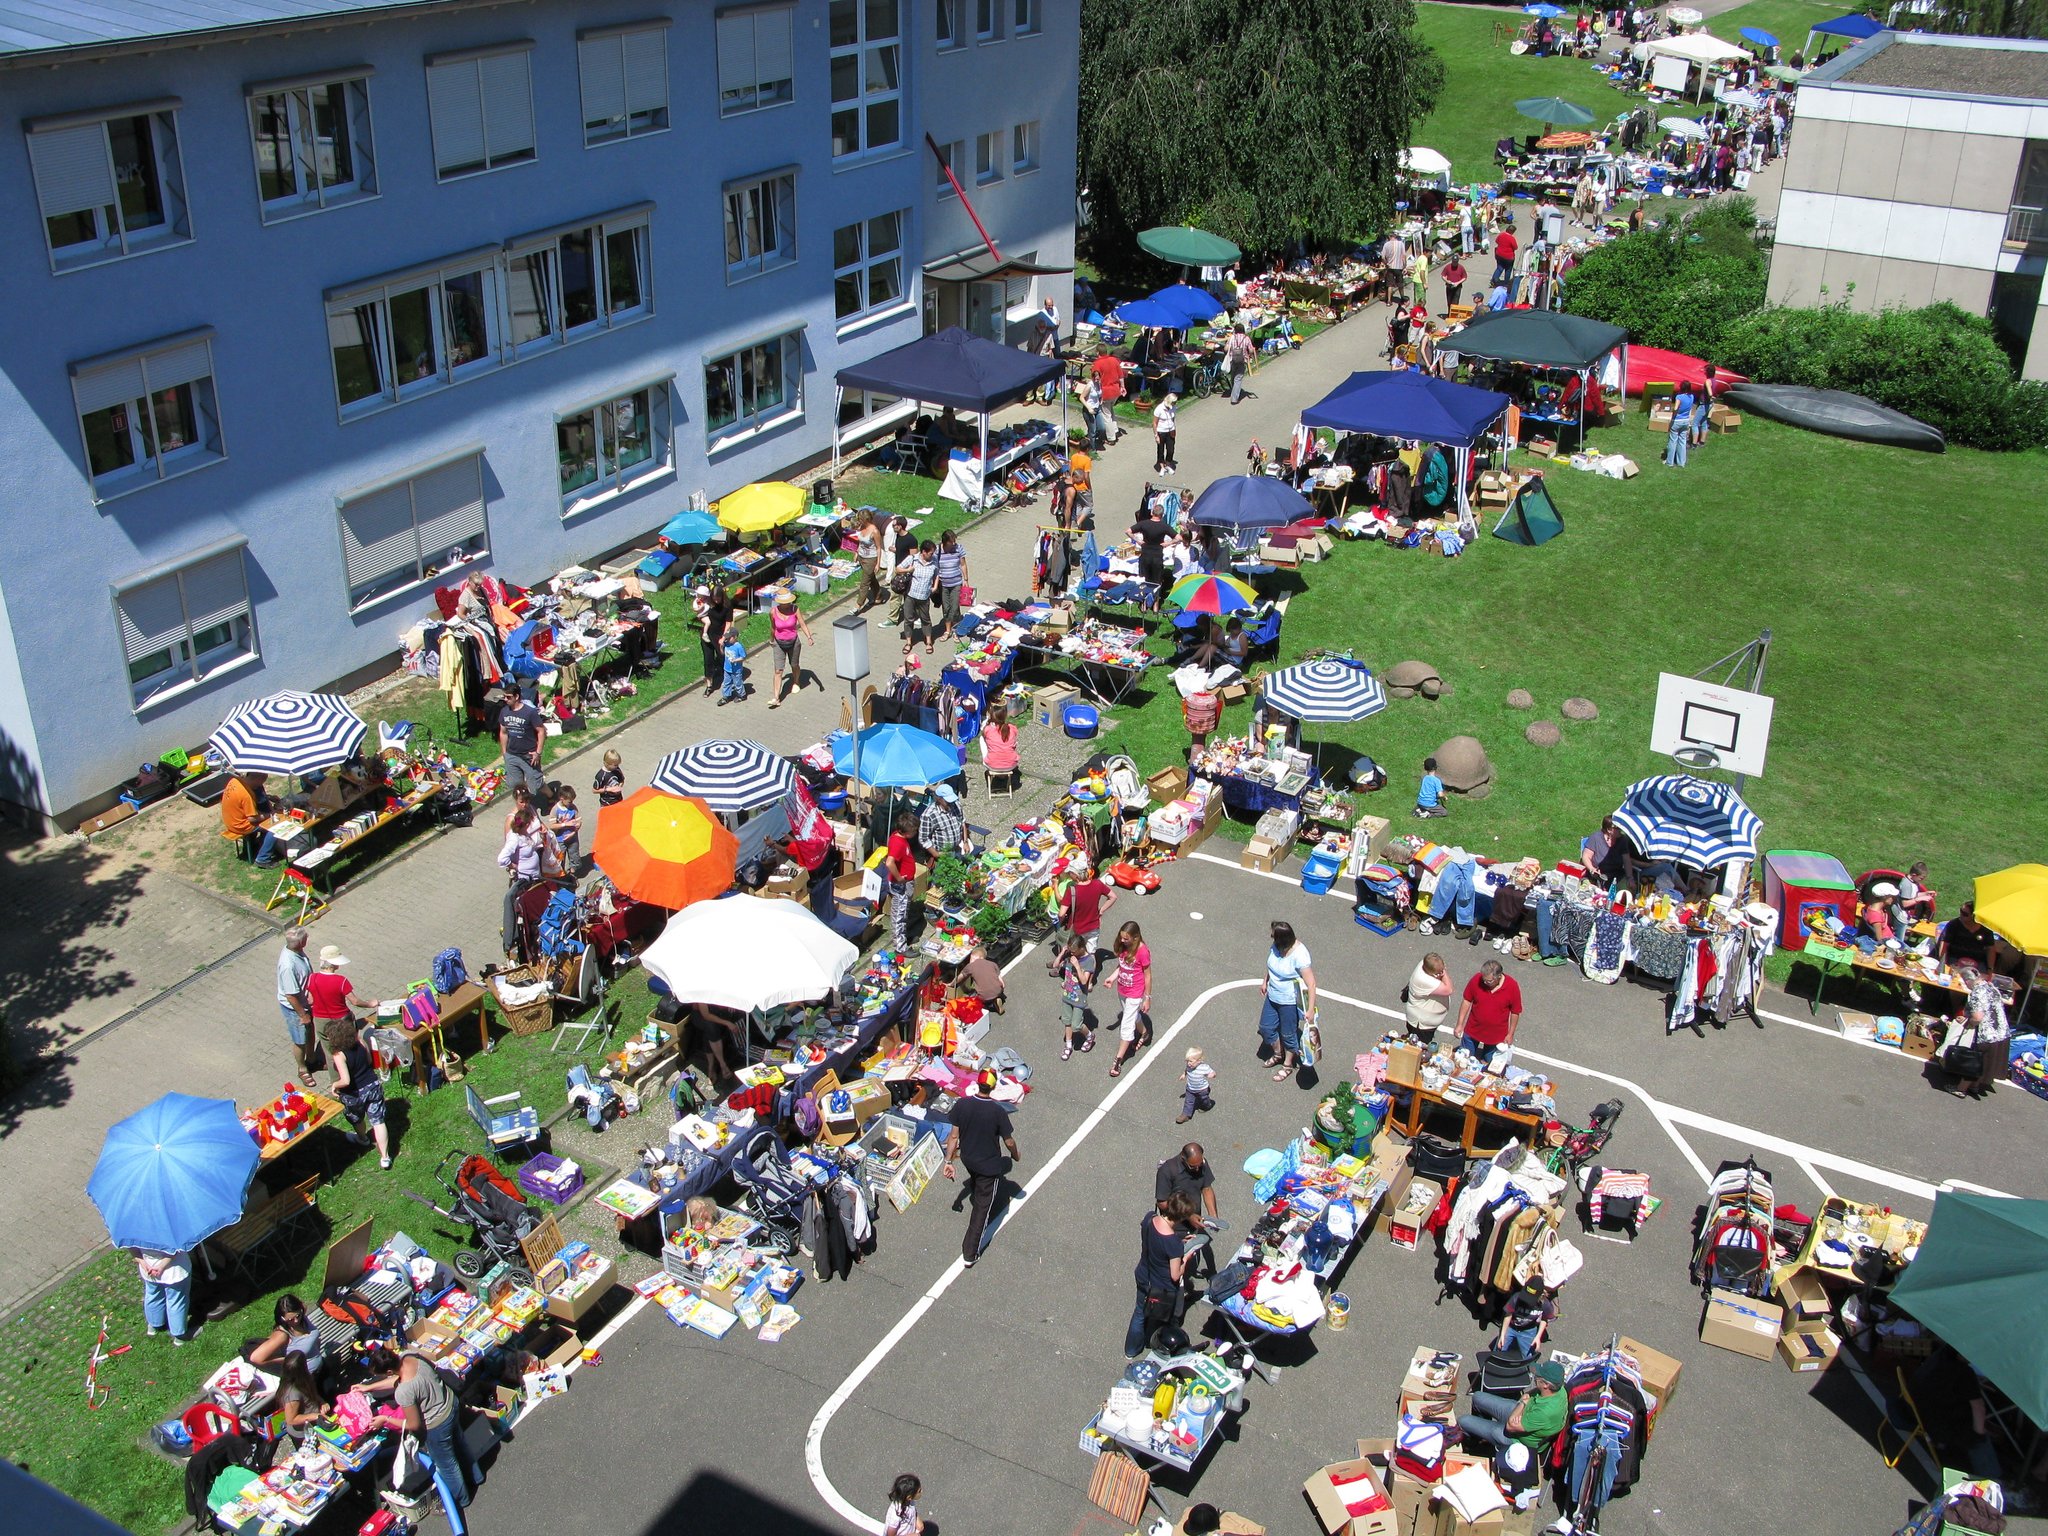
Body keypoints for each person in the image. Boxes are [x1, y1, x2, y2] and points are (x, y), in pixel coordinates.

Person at [370, 1348, 478, 1509]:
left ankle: (461, 1499)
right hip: (450, 1403)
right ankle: (476, 1476)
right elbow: (397, 1380)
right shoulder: (411, 1355)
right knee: (460, 1443)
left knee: (447, 1465)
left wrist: (385, 1419)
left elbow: (414, 1424)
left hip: (437, 1424)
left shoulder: (404, 1391)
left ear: (389, 1371)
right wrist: (368, 1387)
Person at [941, 1071, 1017, 1267]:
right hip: (987, 1166)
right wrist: (1015, 1154)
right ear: (993, 1087)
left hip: (968, 1159)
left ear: (978, 1083)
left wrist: (948, 1162)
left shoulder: (962, 1104)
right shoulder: (997, 1111)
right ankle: (970, 1252)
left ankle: (977, 1191)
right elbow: (1008, 1141)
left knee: (975, 1181)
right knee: (982, 1210)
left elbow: (954, 1137)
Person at [1127, 1192, 1194, 1358]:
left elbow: (1157, 1241)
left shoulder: (1150, 1218)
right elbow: (1175, 1275)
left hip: (1143, 1274)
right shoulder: (1173, 1243)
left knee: (1139, 1313)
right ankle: (1159, 1347)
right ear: (1181, 1217)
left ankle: (1131, 1350)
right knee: (1163, 1317)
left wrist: (1179, 1242)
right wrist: (1186, 1258)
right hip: (1160, 1287)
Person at [1458, 1360, 1567, 1456]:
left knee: (1463, 1421)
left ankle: (1475, 1445)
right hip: (1522, 1415)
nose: (1534, 1377)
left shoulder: (1545, 1412)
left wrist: (1522, 1403)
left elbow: (1510, 1426)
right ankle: (1478, 1438)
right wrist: (1524, 1401)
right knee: (1477, 1397)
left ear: (1546, 1385)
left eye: (1537, 1377)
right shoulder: (1559, 1388)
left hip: (1517, 1440)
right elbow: (1528, 1395)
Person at [329, 1018, 394, 1169]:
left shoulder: (339, 1055)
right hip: (372, 1085)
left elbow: (345, 1080)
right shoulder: (360, 1042)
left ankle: (363, 1139)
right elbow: (369, 1060)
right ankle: (385, 1158)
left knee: (356, 1117)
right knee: (378, 1121)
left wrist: (334, 1085)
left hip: (354, 1093)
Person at [1259, 920, 1317, 1080]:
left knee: (1288, 1034)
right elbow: (1271, 965)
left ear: (1282, 938)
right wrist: (1265, 981)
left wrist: (1310, 1009)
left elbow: (1311, 984)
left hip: (1289, 1002)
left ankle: (1288, 1065)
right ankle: (1278, 1053)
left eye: (1273, 935)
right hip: (1273, 996)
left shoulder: (1300, 955)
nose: (1271, 937)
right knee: (1266, 1028)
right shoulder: (1276, 946)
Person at [1951, 960, 2011, 1099]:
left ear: (1968, 981)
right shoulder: (1991, 987)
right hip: (2001, 1032)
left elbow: (1977, 1018)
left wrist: (1969, 1023)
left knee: (1974, 1061)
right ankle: (1975, 1086)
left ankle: (1960, 1089)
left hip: (1986, 1034)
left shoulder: (1977, 992)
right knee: (1985, 1062)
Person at [499, 804, 549, 959]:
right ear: (525, 824)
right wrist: (513, 865)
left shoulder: (524, 835)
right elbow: (502, 858)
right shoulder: (514, 838)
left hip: (535, 876)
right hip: (525, 880)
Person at [307, 944, 375, 1057]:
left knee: (330, 1052)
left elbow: (310, 1000)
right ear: (333, 964)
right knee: (350, 1048)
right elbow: (355, 1001)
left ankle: (334, 1068)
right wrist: (370, 1004)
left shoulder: (312, 978)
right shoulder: (341, 981)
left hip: (320, 1020)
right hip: (341, 1019)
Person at [1108, 920, 1153, 1078]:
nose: (1122, 940)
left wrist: (1147, 998)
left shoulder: (1142, 951)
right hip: (1122, 989)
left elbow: (1148, 976)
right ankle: (1144, 1032)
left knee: (1126, 1026)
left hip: (1135, 992)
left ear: (1135, 937)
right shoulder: (1124, 946)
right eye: (1121, 937)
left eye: (1126, 938)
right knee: (1132, 1015)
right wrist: (1112, 977)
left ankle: (1118, 1060)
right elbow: (1122, 965)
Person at [1457, 960, 1524, 1063]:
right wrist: (1460, 1024)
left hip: (1496, 1036)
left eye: (1489, 981)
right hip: (1473, 1029)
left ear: (1499, 976)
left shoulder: (1512, 986)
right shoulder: (1476, 979)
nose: (1485, 983)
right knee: (1463, 1059)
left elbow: (1515, 1012)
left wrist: (1510, 1034)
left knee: (1490, 1063)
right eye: (1484, 980)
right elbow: (1467, 1000)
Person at [277, 926, 317, 1087]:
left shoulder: (296, 951)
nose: (308, 938)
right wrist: (303, 1015)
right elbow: (290, 996)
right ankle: (302, 1068)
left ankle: (312, 1060)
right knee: (300, 1039)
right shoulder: (288, 965)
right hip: (295, 1008)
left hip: (305, 1001)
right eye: (306, 937)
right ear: (300, 942)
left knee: (310, 1032)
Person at [248, 1294, 325, 1377]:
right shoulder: (282, 1335)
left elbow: (302, 1305)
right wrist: (286, 1359)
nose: (296, 1321)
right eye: (290, 1319)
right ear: (282, 1318)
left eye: (297, 1316)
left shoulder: (302, 1314)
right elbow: (255, 1358)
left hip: (320, 1366)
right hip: (308, 1377)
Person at [132, 1245, 193, 1344]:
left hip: (148, 1269)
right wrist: (161, 1266)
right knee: (176, 1301)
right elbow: (175, 1249)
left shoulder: (135, 1234)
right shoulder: (168, 1234)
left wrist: (142, 1262)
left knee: (153, 1295)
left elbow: (130, 1246)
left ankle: (154, 1325)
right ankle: (180, 1336)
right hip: (173, 1270)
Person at [1058, 857, 1119, 956]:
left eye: (1070, 873)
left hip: (1077, 930)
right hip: (1094, 927)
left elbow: (1061, 913)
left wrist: (1061, 923)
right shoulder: (1097, 884)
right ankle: (1091, 966)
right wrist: (1101, 911)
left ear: (1076, 874)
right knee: (1091, 953)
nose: (1069, 875)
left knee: (1076, 953)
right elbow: (1113, 897)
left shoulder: (1072, 891)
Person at [766, 588, 814, 708]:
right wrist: (771, 640)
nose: (787, 604)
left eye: (788, 602)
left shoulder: (795, 609)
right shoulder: (773, 612)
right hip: (778, 643)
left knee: (794, 665)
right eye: (784, 602)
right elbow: (773, 627)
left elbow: (802, 623)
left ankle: (796, 681)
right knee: (778, 670)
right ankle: (776, 698)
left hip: (793, 642)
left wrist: (809, 637)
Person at [222, 771, 282, 866]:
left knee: (266, 820)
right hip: (241, 826)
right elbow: (252, 819)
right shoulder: (246, 795)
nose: (260, 786)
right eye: (260, 783)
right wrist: (271, 814)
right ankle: (263, 859)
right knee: (275, 827)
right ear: (257, 779)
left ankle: (252, 848)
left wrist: (268, 797)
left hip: (230, 821)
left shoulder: (235, 781)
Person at [1054, 932, 1098, 1059]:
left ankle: (1089, 1036)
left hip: (1079, 998)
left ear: (1081, 948)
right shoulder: (1069, 955)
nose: (1071, 953)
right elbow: (1055, 965)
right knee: (1067, 1021)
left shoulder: (1088, 961)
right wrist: (1062, 953)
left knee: (1076, 1025)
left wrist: (1077, 966)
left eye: (1074, 951)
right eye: (1070, 950)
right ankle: (1068, 1045)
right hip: (1067, 995)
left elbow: (1084, 981)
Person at [498, 687, 546, 796]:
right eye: (504, 697)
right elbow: (503, 733)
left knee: (536, 784)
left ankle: (551, 796)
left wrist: (538, 753)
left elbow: (541, 731)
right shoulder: (504, 711)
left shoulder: (530, 712)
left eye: (508, 697)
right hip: (512, 754)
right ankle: (524, 803)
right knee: (515, 785)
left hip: (529, 756)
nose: (505, 699)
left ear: (517, 696)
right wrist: (504, 753)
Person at [273, 1352, 329, 1446]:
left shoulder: (305, 1378)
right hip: (303, 1433)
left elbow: (312, 1394)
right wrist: (316, 1416)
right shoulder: (292, 1394)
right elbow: (291, 1419)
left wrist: (322, 1402)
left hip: (315, 1424)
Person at [885, 810, 919, 949]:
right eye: (914, 830)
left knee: (903, 911)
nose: (916, 832)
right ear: (907, 832)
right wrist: (899, 878)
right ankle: (900, 947)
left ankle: (903, 936)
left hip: (905, 883)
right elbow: (889, 862)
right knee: (899, 915)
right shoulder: (898, 843)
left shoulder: (898, 837)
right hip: (901, 885)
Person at [1403, 951, 1453, 1043]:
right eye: (1438, 973)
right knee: (1419, 1046)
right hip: (1421, 1025)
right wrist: (1444, 973)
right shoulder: (1424, 980)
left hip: (1426, 1023)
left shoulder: (1425, 963)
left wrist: (1439, 972)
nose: (1441, 974)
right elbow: (1449, 990)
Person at [1130, 505, 1173, 611]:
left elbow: (1128, 531)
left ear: (1151, 513)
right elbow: (1178, 537)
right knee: (1157, 581)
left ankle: (1144, 604)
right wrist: (1167, 543)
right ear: (1162, 515)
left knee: (1146, 580)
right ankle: (1155, 604)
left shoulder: (1144, 524)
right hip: (1157, 556)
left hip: (1145, 556)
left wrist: (1138, 541)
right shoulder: (1164, 526)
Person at [1499, 1281, 1557, 1357]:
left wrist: (1538, 1337)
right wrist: (1503, 1334)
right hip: (1510, 1327)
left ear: (1541, 1295)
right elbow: (1508, 1315)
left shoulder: (1545, 1304)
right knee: (1500, 1349)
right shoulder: (1516, 1298)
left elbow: (1544, 1319)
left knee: (1527, 1356)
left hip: (1528, 1330)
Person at [1940, 900, 1998, 971]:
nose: (1961, 915)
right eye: (1961, 911)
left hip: (1978, 961)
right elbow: (1944, 945)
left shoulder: (1985, 929)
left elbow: (1991, 949)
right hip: (1955, 958)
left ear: (1974, 917)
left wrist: (1990, 969)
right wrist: (1943, 965)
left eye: (1965, 914)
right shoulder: (1954, 924)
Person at [918, 782, 970, 860]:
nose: (951, 803)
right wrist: (936, 854)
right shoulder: (929, 815)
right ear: (939, 799)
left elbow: (962, 822)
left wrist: (965, 842)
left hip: (958, 849)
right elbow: (923, 838)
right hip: (941, 854)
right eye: (947, 801)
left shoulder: (956, 805)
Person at [697, 587, 733, 694]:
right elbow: (700, 613)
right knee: (708, 659)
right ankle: (709, 685)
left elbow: (728, 622)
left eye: (718, 598)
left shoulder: (727, 606)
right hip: (707, 635)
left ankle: (723, 673)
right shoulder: (708, 603)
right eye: (714, 598)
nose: (716, 600)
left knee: (722, 656)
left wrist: (723, 637)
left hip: (719, 635)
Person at [935, 529, 970, 634]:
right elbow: (935, 567)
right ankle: (948, 630)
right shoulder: (937, 550)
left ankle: (956, 629)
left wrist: (966, 579)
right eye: (951, 541)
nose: (954, 543)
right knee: (946, 608)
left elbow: (963, 564)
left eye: (954, 540)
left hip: (956, 583)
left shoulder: (958, 548)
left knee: (954, 607)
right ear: (945, 541)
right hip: (943, 584)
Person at [980, 702, 1021, 789]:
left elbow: (984, 734)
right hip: (1011, 765)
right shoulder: (1012, 728)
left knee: (982, 740)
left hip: (992, 765)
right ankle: (1003, 772)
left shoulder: (988, 729)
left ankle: (990, 760)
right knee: (1012, 742)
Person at [1090, 349, 1126, 444]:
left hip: (1105, 392)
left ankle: (1111, 438)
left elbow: (1095, 379)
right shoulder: (1114, 360)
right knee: (1110, 411)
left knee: (1106, 416)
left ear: (1097, 352)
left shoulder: (1097, 363)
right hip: (1116, 391)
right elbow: (1121, 375)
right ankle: (1115, 430)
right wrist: (1123, 387)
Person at [550, 784, 582, 874]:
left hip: (572, 838)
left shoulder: (573, 807)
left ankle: (573, 872)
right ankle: (561, 874)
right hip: (560, 839)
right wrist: (565, 824)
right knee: (560, 858)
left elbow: (579, 821)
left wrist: (575, 831)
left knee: (574, 856)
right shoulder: (555, 810)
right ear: (562, 799)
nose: (571, 803)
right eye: (569, 801)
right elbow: (552, 826)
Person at [855, 512, 884, 613]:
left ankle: (858, 605)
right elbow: (860, 542)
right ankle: (878, 596)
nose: (858, 521)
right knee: (871, 578)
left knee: (865, 582)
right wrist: (856, 553)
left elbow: (878, 548)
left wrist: (878, 563)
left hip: (870, 559)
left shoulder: (875, 531)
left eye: (860, 519)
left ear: (865, 519)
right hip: (861, 556)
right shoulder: (862, 527)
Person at [1178, 1047, 1215, 1124]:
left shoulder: (1204, 1067)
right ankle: (1185, 1115)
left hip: (1202, 1089)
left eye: (1191, 1061)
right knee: (1188, 1101)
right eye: (1187, 1061)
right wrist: (1184, 1074)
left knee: (1204, 1100)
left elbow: (1213, 1073)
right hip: (1190, 1089)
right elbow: (1186, 1070)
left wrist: (1212, 1075)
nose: (1188, 1063)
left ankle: (1207, 1104)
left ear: (1199, 1061)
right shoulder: (1189, 1066)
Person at [1664, 382, 1695, 468]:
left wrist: (1672, 419)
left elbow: (1676, 408)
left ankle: (1669, 462)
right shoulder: (1692, 396)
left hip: (1677, 420)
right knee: (1682, 441)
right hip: (1685, 421)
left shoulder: (1679, 397)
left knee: (1673, 441)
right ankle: (1681, 462)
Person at [1223, 324, 1255, 405]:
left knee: (1233, 376)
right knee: (1238, 378)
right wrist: (1251, 352)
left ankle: (1233, 391)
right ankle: (1234, 399)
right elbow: (1251, 350)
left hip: (1232, 360)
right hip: (1242, 360)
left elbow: (1226, 349)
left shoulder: (1231, 337)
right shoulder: (1246, 338)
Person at [1898, 862, 1937, 926]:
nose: (1922, 880)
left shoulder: (1912, 881)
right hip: (1901, 917)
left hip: (1907, 915)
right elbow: (1904, 904)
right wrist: (1918, 899)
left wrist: (1926, 894)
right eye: (1921, 878)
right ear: (1914, 875)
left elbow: (1912, 895)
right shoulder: (1907, 885)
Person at [719, 620, 749, 704]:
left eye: (729, 638)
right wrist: (721, 647)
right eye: (726, 638)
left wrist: (735, 660)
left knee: (737, 683)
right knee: (726, 683)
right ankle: (726, 696)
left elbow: (743, 657)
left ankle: (742, 695)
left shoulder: (738, 646)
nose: (727, 639)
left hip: (736, 670)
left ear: (735, 637)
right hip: (727, 668)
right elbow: (723, 654)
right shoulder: (726, 644)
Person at [1152, 392, 1179, 474]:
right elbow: (1154, 423)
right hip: (1161, 432)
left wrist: (1174, 429)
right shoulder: (1159, 409)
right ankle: (1161, 467)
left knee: (1171, 450)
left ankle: (1167, 464)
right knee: (1161, 450)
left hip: (1171, 431)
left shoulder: (1173, 408)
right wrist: (1156, 435)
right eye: (1173, 402)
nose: (1175, 404)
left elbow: (1173, 419)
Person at [1081, 369, 1107, 453]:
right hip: (1089, 410)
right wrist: (1089, 408)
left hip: (1097, 409)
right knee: (1093, 430)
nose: (1096, 379)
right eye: (1095, 377)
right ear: (1092, 377)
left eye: (1098, 377)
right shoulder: (1089, 386)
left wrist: (1101, 399)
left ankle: (1095, 440)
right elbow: (1081, 397)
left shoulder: (1099, 384)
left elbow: (1100, 394)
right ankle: (1092, 449)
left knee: (1102, 428)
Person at [1492, 222, 1519, 288]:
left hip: (1499, 254)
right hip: (1508, 257)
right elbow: (1515, 247)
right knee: (1508, 270)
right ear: (1513, 232)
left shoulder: (1501, 235)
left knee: (1499, 268)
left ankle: (1494, 280)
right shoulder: (1511, 238)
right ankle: (1506, 283)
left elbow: (1496, 241)